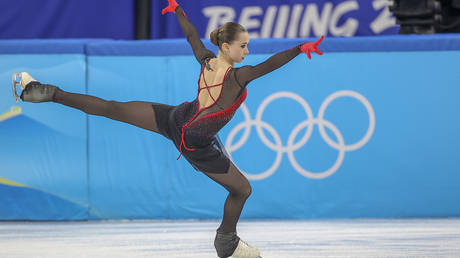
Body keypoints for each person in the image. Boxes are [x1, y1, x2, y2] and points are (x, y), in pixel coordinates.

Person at [13, 0, 323, 257]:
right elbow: (269, 65)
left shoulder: (206, 61)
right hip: (195, 142)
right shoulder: (238, 76)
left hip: (175, 119)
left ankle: (43, 91)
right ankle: (226, 242)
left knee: (111, 107)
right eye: (243, 46)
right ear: (227, 47)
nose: (247, 52)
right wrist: (300, 48)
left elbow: (192, 37)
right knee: (242, 189)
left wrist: (177, 10)